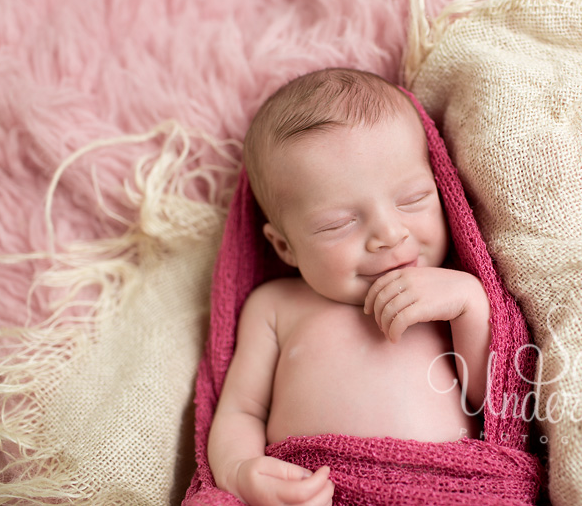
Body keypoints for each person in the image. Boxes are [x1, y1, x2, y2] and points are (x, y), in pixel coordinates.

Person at [208, 68, 492, 505]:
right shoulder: (275, 306)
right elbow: (240, 411)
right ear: (285, 246)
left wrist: (470, 304)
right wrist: (240, 471)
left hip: (451, 485)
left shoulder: (446, 297)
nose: (389, 234)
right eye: (339, 223)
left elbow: (490, 400)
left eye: (413, 198)